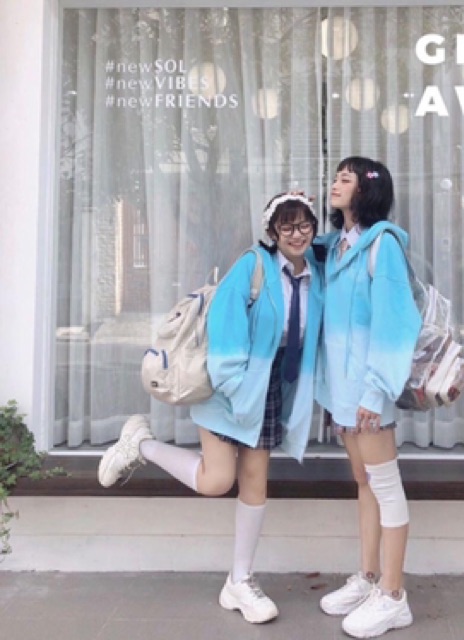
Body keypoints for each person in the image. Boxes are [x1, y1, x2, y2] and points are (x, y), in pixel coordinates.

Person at [98, 193, 323, 625]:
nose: (297, 234)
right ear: (272, 231)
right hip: (230, 387)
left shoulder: (314, 270)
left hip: (269, 389)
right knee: (218, 480)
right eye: (287, 226)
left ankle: (240, 580)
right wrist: (237, 390)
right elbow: (224, 329)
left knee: (255, 482)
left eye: (304, 225)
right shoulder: (253, 267)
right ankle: (141, 444)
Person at [314, 157, 421, 639]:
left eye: (346, 178)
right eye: (335, 177)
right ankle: (369, 577)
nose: (335, 184)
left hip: (369, 392)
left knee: (384, 485)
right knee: (363, 482)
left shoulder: (383, 246)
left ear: (366, 191)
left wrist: (376, 392)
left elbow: (396, 324)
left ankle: (394, 597)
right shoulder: (336, 246)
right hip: (343, 393)